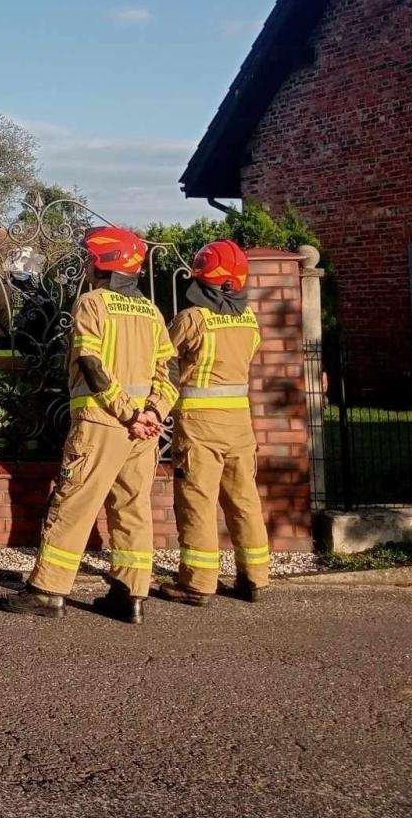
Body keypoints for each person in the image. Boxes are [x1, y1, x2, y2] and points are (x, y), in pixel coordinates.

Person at [8, 226, 178, 624]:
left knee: (74, 503)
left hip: (102, 423)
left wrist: (129, 414)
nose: (86, 264)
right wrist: (153, 413)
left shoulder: (92, 303)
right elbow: (169, 373)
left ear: (105, 263)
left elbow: (90, 362)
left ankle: (48, 591)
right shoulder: (152, 312)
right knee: (133, 510)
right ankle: (130, 595)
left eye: (90, 257)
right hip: (143, 433)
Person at [156, 240, 272, 605]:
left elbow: (163, 357)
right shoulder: (249, 318)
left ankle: (198, 583)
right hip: (240, 424)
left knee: (197, 500)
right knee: (244, 500)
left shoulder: (193, 318)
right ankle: (254, 578)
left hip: (200, 424)